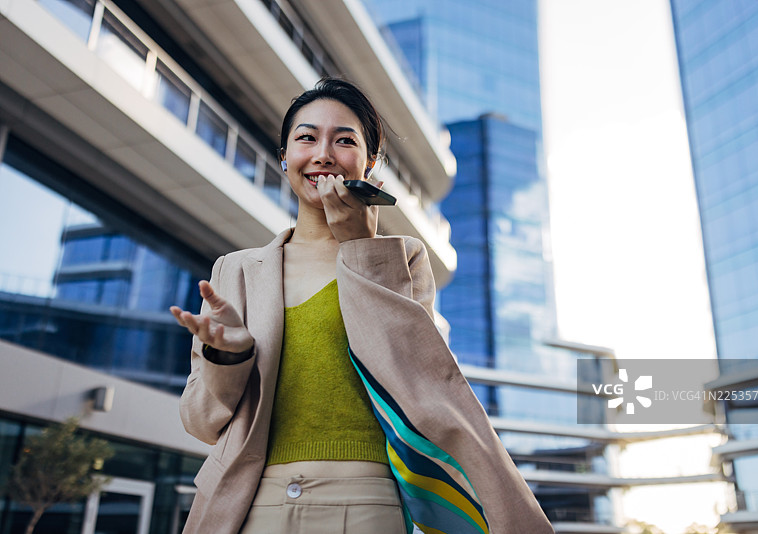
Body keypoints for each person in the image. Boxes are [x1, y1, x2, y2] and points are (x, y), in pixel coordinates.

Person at [170, 77, 553, 534]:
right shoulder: (235, 271)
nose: (323, 153)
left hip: (368, 502)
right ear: (284, 157)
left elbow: (416, 381)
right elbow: (200, 420)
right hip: (249, 505)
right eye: (306, 138)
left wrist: (360, 246)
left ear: (370, 165)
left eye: (344, 140)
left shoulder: (402, 259)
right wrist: (227, 357)